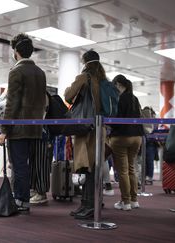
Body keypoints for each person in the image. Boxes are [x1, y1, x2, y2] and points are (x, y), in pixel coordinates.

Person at [0, 33, 47, 212]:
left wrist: (4, 129)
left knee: (18, 165)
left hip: (18, 128)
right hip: (35, 128)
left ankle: (21, 200)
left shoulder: (16, 71)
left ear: (16, 51)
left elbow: (12, 103)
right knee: (27, 165)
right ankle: (24, 198)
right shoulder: (40, 73)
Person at [64, 50, 104, 219]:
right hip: (99, 128)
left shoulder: (84, 78)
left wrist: (68, 88)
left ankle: (88, 206)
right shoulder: (103, 80)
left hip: (85, 128)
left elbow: (68, 96)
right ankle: (89, 205)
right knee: (94, 167)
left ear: (85, 62)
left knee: (87, 168)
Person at [109, 75, 144, 211]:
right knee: (131, 169)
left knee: (122, 171)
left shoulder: (119, 98)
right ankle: (134, 200)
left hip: (121, 137)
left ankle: (126, 202)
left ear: (118, 84)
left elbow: (117, 118)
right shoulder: (135, 98)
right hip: (137, 137)